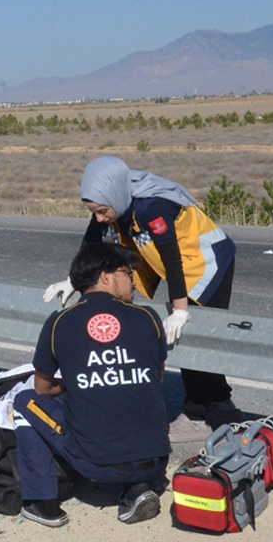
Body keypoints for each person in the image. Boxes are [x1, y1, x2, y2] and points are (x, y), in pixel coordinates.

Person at [43, 156, 241, 434]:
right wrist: (72, 280)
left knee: (198, 335)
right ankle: (202, 409)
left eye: (102, 211)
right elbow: (91, 241)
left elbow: (174, 260)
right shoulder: (113, 199)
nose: (100, 218)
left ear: (113, 197)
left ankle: (215, 410)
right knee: (187, 338)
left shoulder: (153, 208)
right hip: (171, 260)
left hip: (206, 261)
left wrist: (180, 310)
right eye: (95, 211)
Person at [16, 241, 171, 528]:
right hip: (157, 461)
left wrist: (78, 384)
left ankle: (42, 501)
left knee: (25, 403)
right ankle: (136, 488)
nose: (134, 281)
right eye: (128, 272)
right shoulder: (148, 317)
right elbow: (155, 377)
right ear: (106, 276)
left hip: (97, 467)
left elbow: (42, 389)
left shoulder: (60, 322)